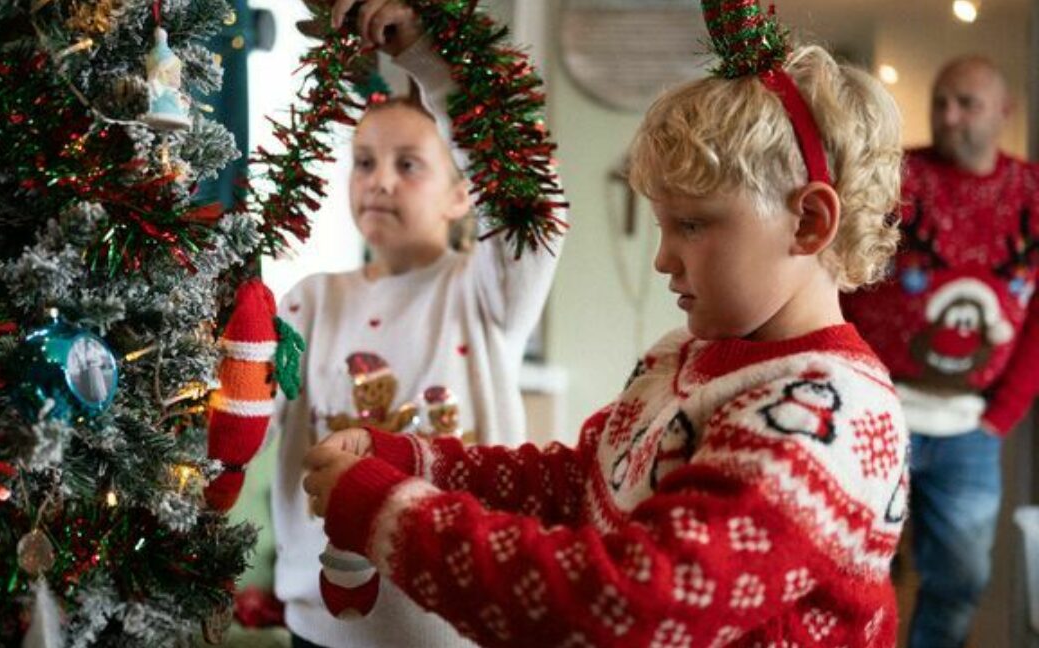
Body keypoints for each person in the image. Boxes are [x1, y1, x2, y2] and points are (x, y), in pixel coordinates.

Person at [302, 1, 910, 645]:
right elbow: (579, 483)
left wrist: (388, 514)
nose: (663, 258)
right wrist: (412, 460)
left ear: (810, 222)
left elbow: (636, 601)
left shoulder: (831, 417)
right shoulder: (685, 354)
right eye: (664, 226)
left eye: (694, 225)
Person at [270, 1, 566, 646]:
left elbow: (529, 196)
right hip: (319, 628)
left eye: (408, 164)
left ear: (463, 194)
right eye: (364, 161)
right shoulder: (308, 301)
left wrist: (430, 59)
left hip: (451, 627)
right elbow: (244, 410)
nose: (379, 181)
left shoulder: (483, 293)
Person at [841, 55, 1039, 648]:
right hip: (876, 408)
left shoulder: (1033, 195)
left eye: (967, 104)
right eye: (940, 102)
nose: (949, 116)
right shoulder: (896, 179)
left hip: (970, 426)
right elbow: (845, 269)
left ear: (1003, 111)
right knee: (849, 563)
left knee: (960, 577)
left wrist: (1002, 414)